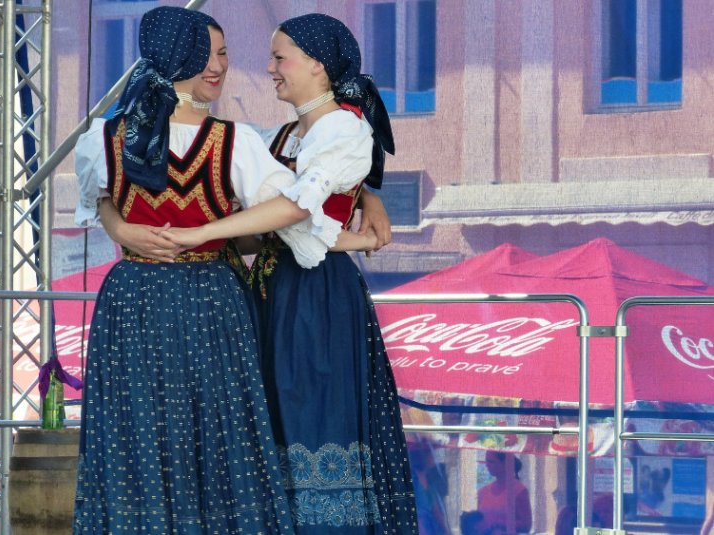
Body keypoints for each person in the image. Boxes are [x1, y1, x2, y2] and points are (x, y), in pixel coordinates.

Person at [70, 6, 374, 532]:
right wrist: (358, 231)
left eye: (224, 53)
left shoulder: (104, 136)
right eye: (212, 54)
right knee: (217, 432)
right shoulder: (237, 143)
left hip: (132, 296)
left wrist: (121, 228)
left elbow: (96, 200)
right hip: (208, 295)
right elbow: (296, 214)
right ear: (184, 57)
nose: (222, 65)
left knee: (136, 428)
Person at [160, 13, 418, 533]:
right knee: (273, 422)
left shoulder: (342, 128)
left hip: (316, 294)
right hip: (273, 290)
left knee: (314, 421)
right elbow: (273, 221)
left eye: (280, 58)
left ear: (317, 64)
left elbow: (302, 213)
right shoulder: (283, 135)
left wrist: (200, 232)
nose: (270, 68)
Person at [476, 452, 531, 535]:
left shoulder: (519, 491)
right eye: (486, 462)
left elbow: (526, 526)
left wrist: (498, 525)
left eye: (491, 462)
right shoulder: (483, 492)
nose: (487, 465)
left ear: (505, 463)